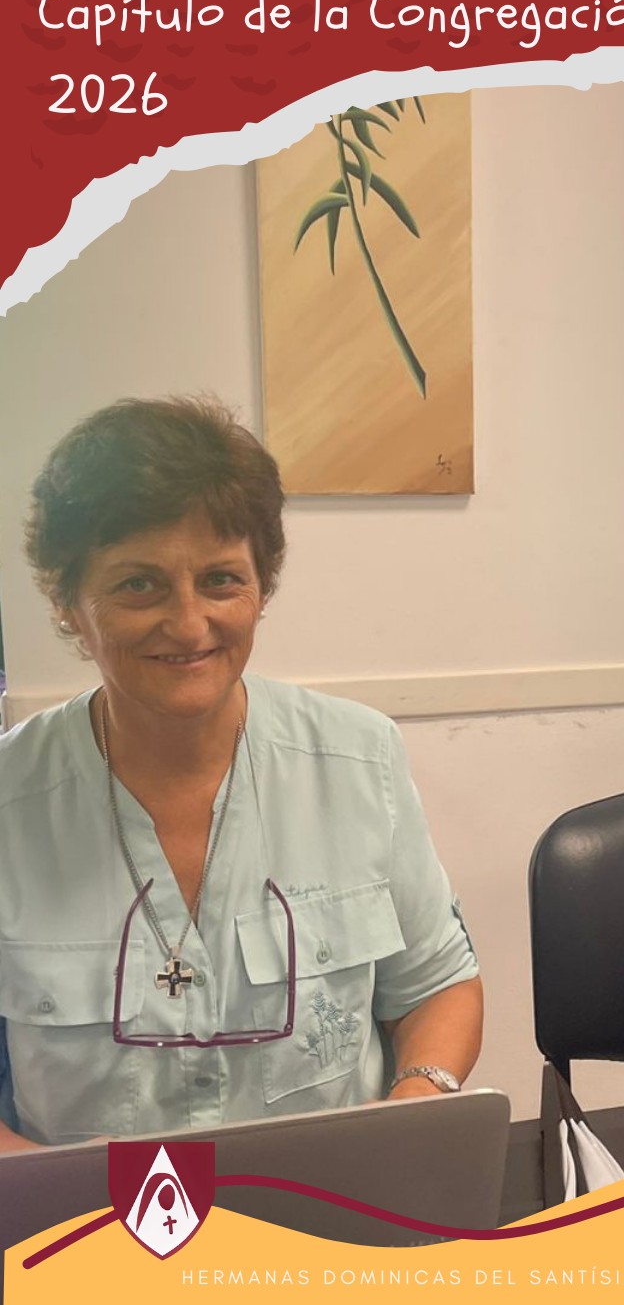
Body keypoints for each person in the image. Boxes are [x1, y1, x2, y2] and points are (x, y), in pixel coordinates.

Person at [0, 396, 482, 1150]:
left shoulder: (360, 760)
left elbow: (437, 987)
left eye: (222, 580)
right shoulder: (11, 800)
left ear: (263, 586)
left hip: (327, 1201)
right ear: (67, 601)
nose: (190, 624)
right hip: (89, 1215)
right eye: (138, 584)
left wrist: (416, 1100)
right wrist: (40, 1193)